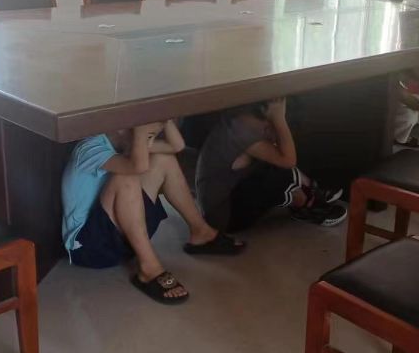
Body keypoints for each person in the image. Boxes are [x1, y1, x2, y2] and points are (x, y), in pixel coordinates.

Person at [62, 119, 244, 305]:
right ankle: (149, 268)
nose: (149, 142)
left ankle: (201, 233)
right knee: (126, 178)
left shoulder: (125, 140)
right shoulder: (89, 148)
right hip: (89, 248)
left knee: (164, 159)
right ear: (122, 129)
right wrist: (141, 133)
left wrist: (161, 117)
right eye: (148, 137)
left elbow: (176, 146)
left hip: (120, 237)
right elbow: (137, 167)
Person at [195, 98, 347, 233]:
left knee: (276, 162)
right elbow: (288, 161)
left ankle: (311, 189)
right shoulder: (244, 131)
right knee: (278, 171)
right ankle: (306, 206)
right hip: (223, 216)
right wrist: (280, 119)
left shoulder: (246, 119)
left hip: (224, 200)